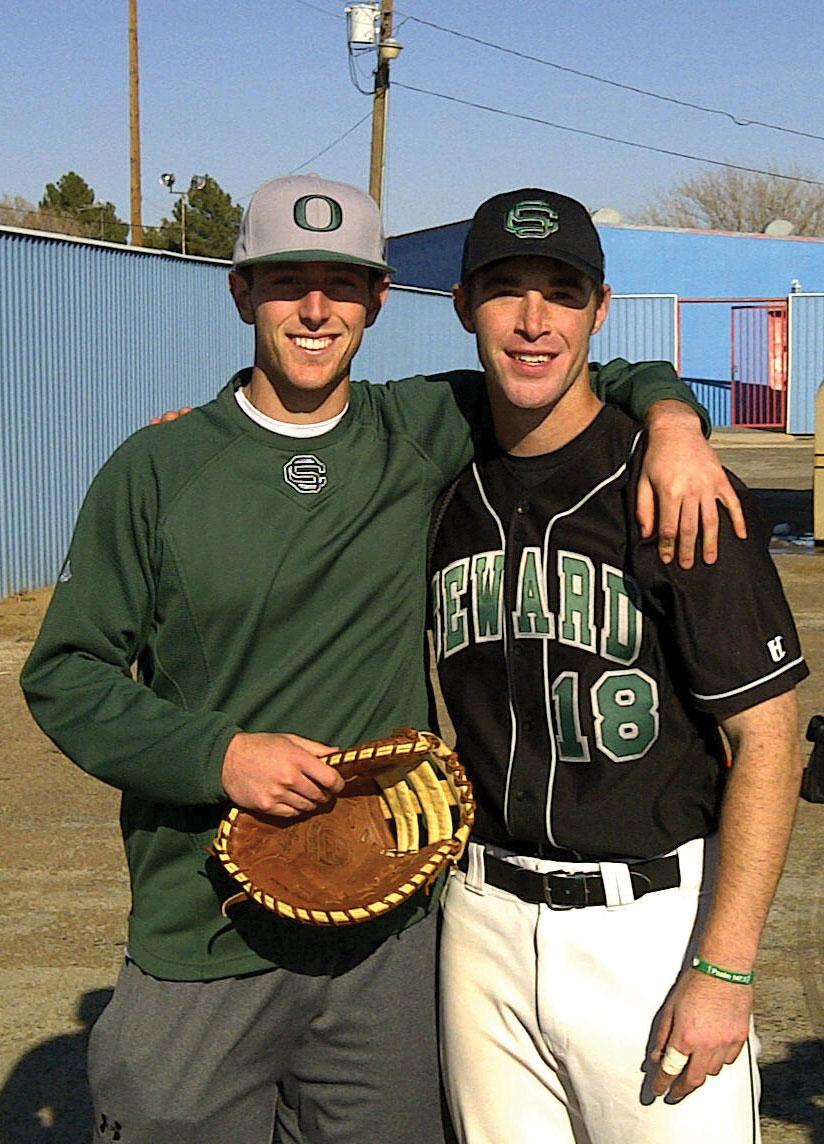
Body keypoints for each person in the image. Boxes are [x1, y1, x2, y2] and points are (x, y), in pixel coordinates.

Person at [22, 175, 737, 1144]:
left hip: (390, 932)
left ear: (374, 300)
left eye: (340, 282)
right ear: (242, 293)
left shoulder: (418, 426)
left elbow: (563, 365)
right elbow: (66, 671)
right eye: (286, 281)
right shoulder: (157, 469)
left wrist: (670, 417)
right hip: (206, 921)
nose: (314, 307)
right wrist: (217, 755)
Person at [429, 188, 808, 1144]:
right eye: (506, 289)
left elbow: (768, 739)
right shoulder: (434, 474)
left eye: (563, 291)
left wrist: (722, 971)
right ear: (463, 302)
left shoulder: (675, 487)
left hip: (649, 927)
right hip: (478, 922)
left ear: (601, 310)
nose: (533, 319)